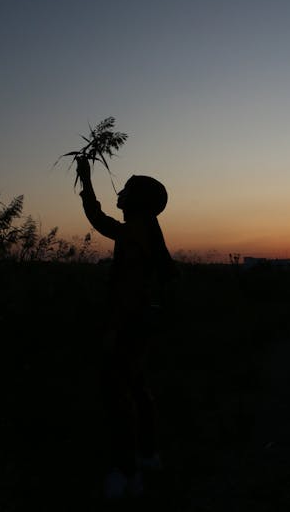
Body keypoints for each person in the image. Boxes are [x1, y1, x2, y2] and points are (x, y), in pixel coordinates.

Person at [75, 156, 173, 500]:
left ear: (138, 200)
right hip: (141, 323)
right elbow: (102, 222)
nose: (121, 194)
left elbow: (127, 288)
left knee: (117, 397)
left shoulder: (134, 230)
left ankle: (126, 472)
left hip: (128, 325)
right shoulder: (145, 228)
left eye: (127, 191)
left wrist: (86, 182)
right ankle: (148, 456)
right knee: (138, 389)